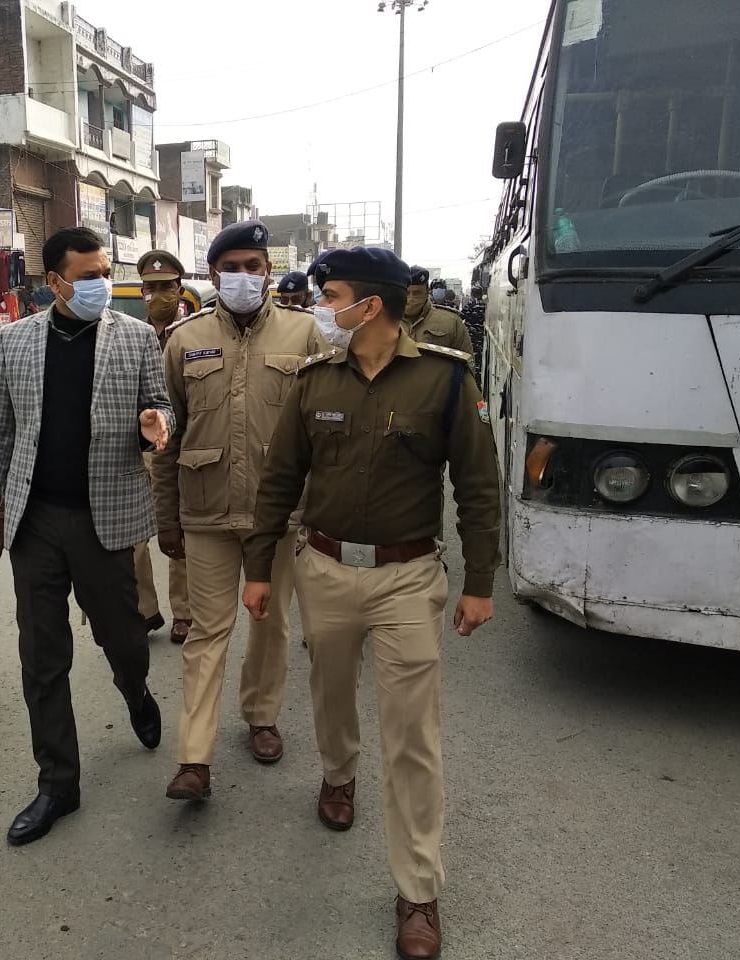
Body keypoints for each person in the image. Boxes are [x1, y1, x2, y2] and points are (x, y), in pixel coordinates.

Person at [242, 247, 501, 960]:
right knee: (330, 694)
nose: (323, 308)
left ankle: (418, 889)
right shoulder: (315, 378)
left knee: (413, 732)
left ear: (372, 307)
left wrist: (481, 580)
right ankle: (338, 773)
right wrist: (259, 565)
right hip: (323, 569)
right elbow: (280, 476)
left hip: (407, 578)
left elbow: (479, 487)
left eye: (332, 296)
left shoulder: (445, 380)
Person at [0, 226, 175, 846]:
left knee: (123, 637)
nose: (100, 284)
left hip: (104, 518)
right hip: (36, 521)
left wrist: (154, 425)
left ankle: (135, 690)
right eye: (87, 276)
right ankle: (59, 781)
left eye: (104, 271)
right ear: (54, 281)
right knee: (42, 656)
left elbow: (163, 408)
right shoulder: (18, 340)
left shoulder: (134, 337)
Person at [153, 219, 325, 803]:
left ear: (269, 273)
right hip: (206, 514)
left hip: (280, 517)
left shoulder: (306, 336)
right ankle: (194, 758)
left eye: (255, 267)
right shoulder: (183, 339)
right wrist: (166, 515)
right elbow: (167, 435)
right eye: (233, 267)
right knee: (208, 632)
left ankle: (261, 716)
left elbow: (325, 433)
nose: (244, 277)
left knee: (270, 625)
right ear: (212, 274)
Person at [131, 248, 192, 645]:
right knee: (132, 538)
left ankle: (184, 612)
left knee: (179, 534)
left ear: (180, 289)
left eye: (166, 287)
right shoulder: (130, 335)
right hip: (137, 453)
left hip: (182, 449)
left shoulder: (194, 335)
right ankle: (144, 610)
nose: (159, 295)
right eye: (151, 288)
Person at [404, 266, 472, 356]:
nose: (411, 298)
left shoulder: (451, 322)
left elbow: (466, 361)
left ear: (427, 292)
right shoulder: (388, 320)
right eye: (407, 292)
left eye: (417, 293)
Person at [460, 284, 486, 380]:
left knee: (471, 358)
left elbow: (460, 317)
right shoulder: (485, 304)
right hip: (481, 336)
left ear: (472, 294)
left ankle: (471, 378)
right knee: (480, 359)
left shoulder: (470, 305)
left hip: (471, 337)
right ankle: (478, 379)